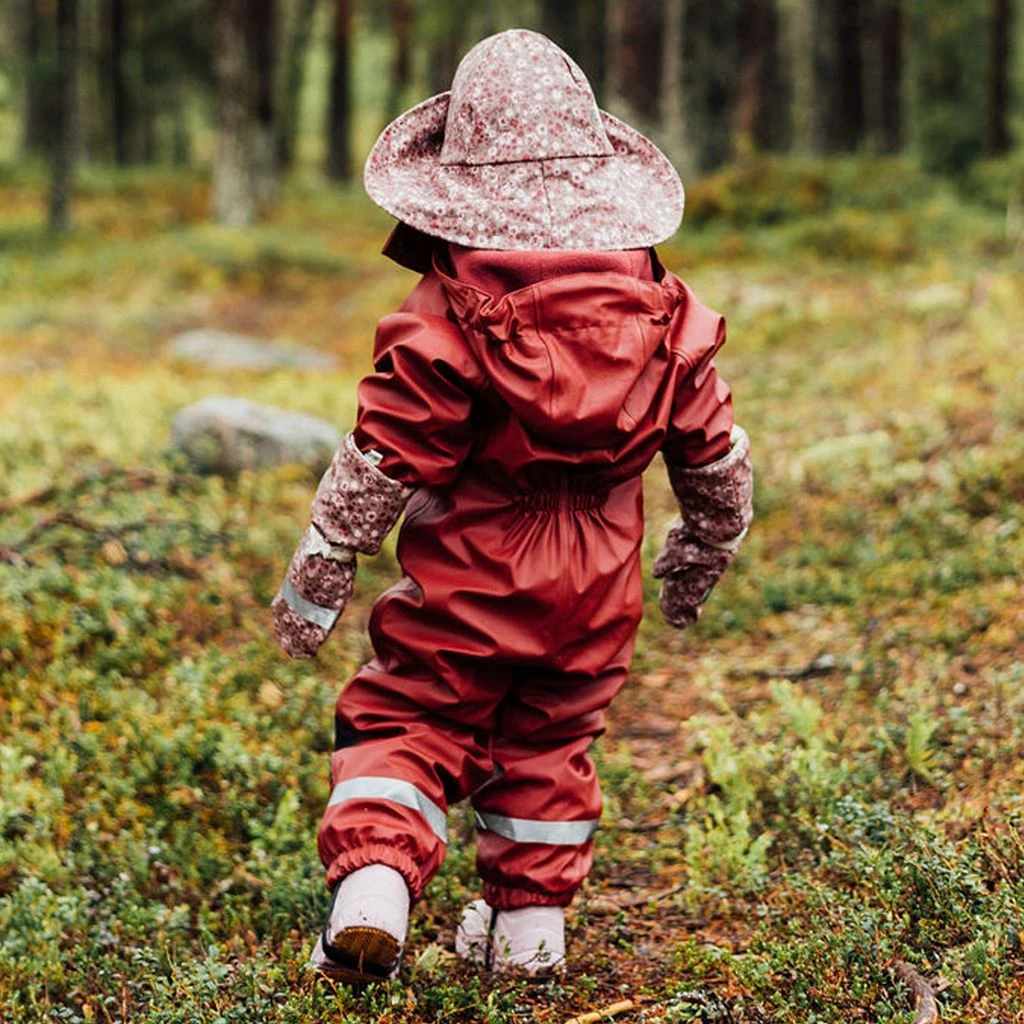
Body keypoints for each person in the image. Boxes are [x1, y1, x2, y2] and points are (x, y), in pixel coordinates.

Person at [271, 28, 753, 983]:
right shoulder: (665, 307)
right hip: (600, 589)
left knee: (412, 714)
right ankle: (529, 937)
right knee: (550, 741)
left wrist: (322, 563)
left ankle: (375, 887)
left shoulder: (450, 309)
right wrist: (706, 546)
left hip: (472, 577)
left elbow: (383, 451)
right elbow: (716, 451)